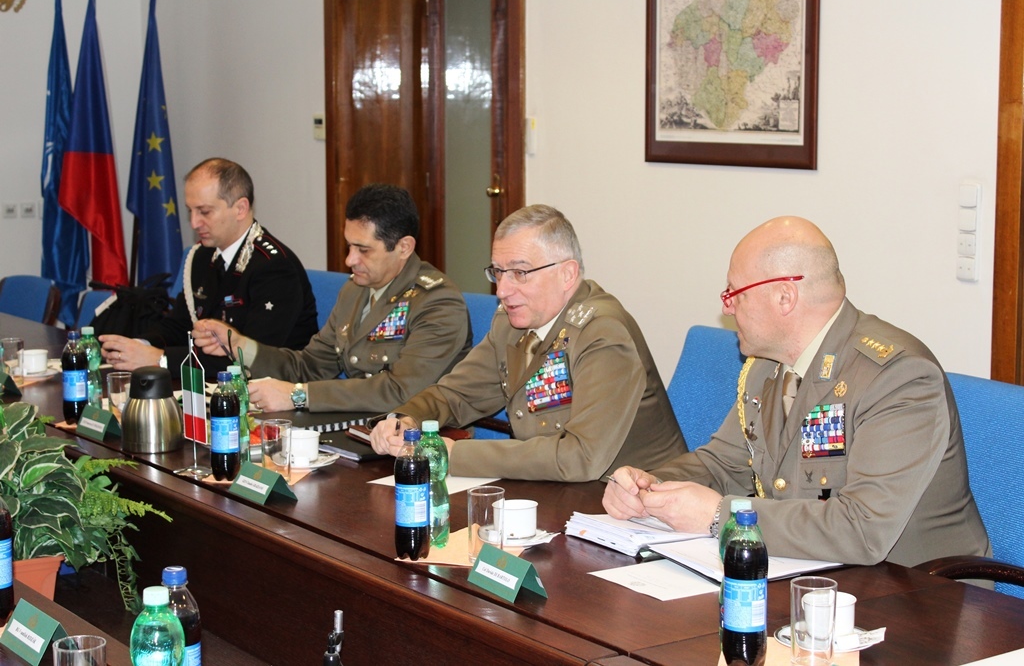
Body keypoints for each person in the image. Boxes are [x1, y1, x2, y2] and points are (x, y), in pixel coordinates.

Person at [603, 216, 990, 567]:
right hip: (812, 572)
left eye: (735, 293)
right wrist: (648, 486)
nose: (729, 307)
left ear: (784, 297)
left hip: (917, 595)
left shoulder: (897, 377)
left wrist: (721, 516)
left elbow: (863, 530)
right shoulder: (766, 365)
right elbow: (723, 465)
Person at [368, 205, 688, 482]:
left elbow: (580, 456)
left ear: (567, 274)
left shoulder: (602, 332)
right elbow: (456, 395)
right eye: (498, 272)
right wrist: (405, 420)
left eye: (520, 273)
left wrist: (457, 455)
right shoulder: (512, 322)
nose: (502, 291)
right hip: (556, 490)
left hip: (636, 504)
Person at [193, 183, 472, 414]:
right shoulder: (355, 290)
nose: (350, 260)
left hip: (416, 440)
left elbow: (399, 391)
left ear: (404, 247)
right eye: (349, 246)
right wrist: (239, 345)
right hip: (358, 424)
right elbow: (310, 366)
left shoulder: (438, 303)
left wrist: (298, 395)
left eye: (363, 250)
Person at [100, 158, 318, 379]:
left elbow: (250, 360)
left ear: (240, 209)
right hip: (213, 383)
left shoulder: (274, 267)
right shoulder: (202, 255)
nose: (194, 223)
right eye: (190, 211)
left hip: (273, 389)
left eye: (204, 212)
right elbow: (180, 325)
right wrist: (139, 345)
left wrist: (159, 359)